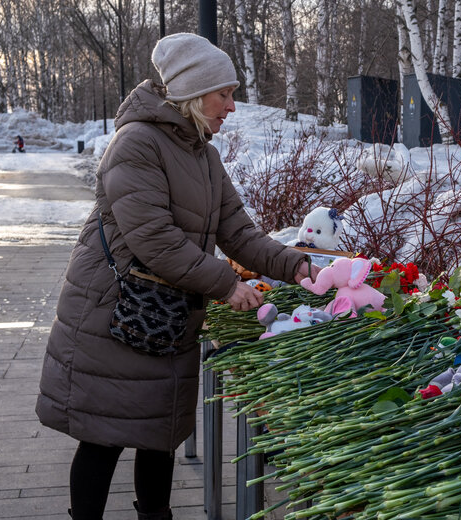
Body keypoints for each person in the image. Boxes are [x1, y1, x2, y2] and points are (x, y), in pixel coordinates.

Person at [35, 33, 320, 520]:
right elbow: (155, 239)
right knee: (103, 437)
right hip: (116, 316)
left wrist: (299, 266)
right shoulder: (136, 143)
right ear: (192, 93)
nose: (232, 106)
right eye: (224, 94)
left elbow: (238, 232)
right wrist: (227, 285)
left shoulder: (203, 156)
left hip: (166, 319)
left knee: (159, 435)